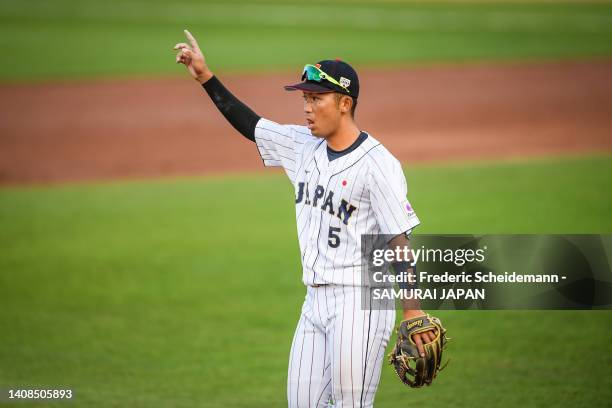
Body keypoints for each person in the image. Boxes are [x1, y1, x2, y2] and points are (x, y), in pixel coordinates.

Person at [174, 29, 436, 407]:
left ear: (345, 103)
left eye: (316, 98)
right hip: (313, 303)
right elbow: (251, 126)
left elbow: (399, 241)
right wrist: (204, 77)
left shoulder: (379, 164)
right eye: (305, 98)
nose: (307, 107)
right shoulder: (302, 146)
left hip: (359, 302)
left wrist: (412, 307)